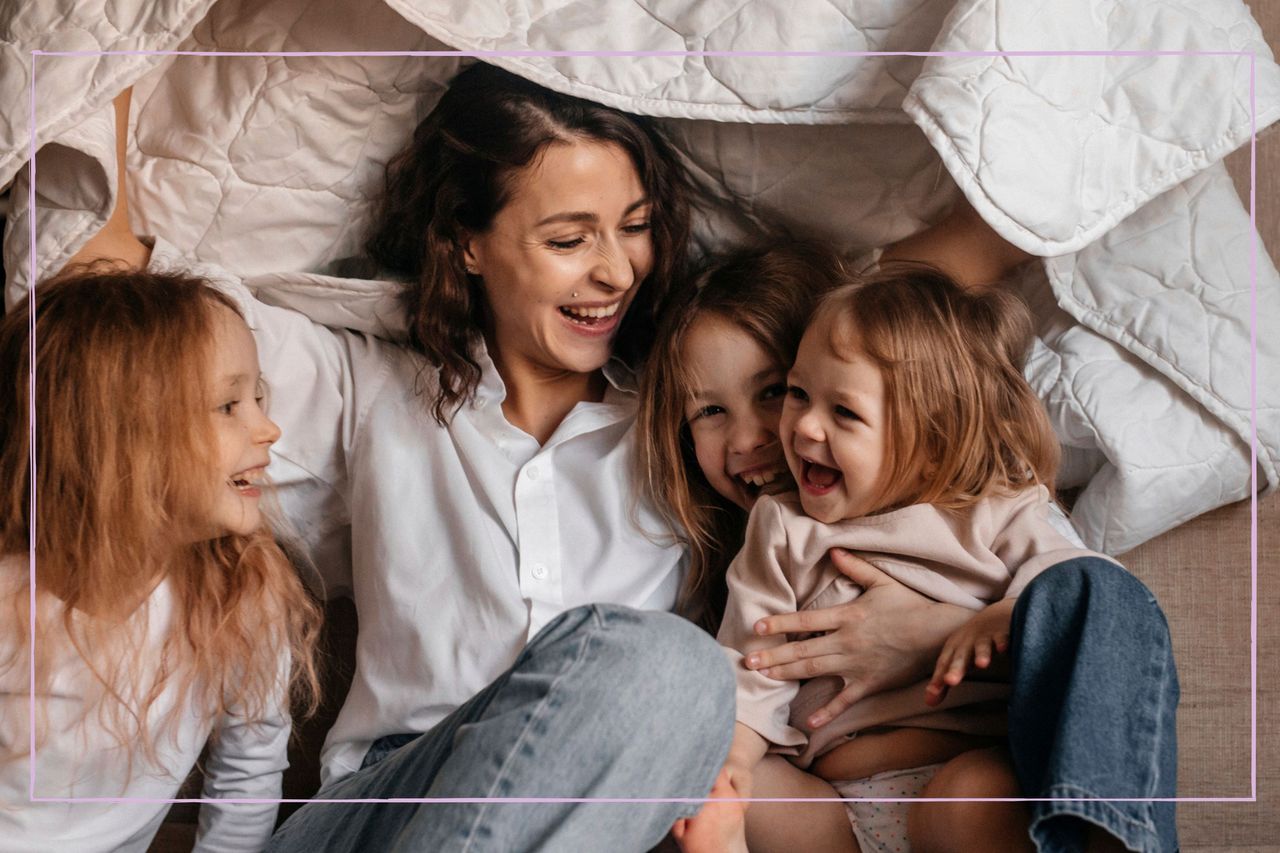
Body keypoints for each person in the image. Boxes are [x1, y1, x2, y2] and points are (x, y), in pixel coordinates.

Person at [72, 65, 735, 851]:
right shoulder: (370, 389)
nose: (618, 270)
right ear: (468, 244)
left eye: (635, 226)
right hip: (375, 812)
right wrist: (107, 55)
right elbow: (108, 300)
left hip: (589, 818)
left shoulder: (693, 414)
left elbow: (888, 345)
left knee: (674, 667)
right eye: (568, 238)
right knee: (657, 658)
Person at [640, 248, 1178, 853]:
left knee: (973, 795)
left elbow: (1082, 589)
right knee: (742, 787)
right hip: (835, 809)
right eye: (796, 394)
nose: (795, 429)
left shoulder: (992, 507)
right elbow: (749, 663)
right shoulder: (781, 526)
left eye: (838, 409)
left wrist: (1012, 612)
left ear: (929, 435)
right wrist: (731, 767)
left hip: (961, 781)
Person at [0, 269, 321, 852]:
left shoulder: (244, 595)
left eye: (258, 399)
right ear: (121, 436)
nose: (268, 429)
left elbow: (247, 773)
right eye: (228, 405)